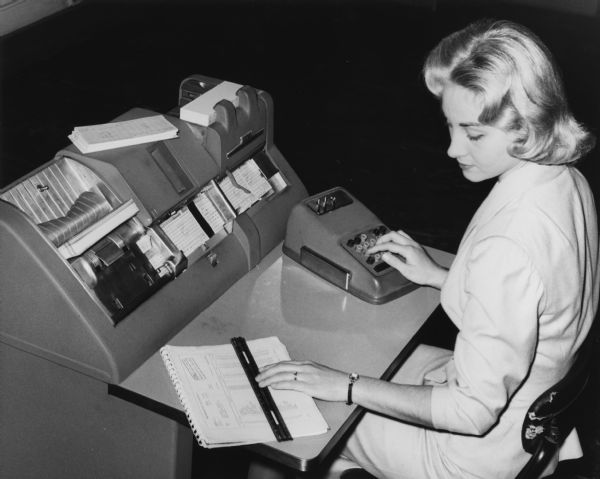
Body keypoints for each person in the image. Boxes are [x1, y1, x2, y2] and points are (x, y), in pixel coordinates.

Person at [256, 19, 599, 478]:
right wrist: (438, 275)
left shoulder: (510, 244)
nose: (453, 148)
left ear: (527, 124)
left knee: (296, 417)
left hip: (470, 454)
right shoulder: (565, 178)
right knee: (348, 361)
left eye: (474, 134)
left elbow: (470, 413)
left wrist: (347, 386)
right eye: (451, 126)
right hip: (525, 411)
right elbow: (535, 296)